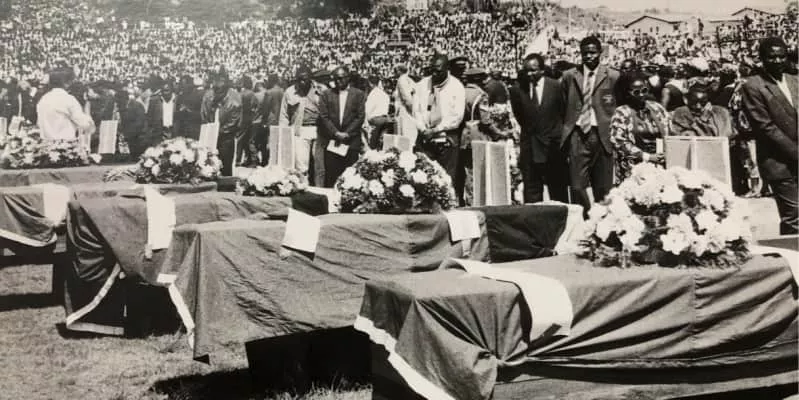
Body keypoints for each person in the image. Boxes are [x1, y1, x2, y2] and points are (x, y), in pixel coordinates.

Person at [740, 37, 798, 234]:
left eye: (782, 56)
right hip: (778, 160)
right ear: (762, 59)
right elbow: (765, 126)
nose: (778, 61)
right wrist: (795, 152)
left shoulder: (795, 80)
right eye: (771, 57)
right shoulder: (753, 86)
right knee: (794, 213)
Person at [561, 36, 619, 218]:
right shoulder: (570, 76)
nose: (589, 56)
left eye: (593, 52)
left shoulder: (612, 76)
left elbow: (617, 103)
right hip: (578, 134)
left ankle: (602, 222)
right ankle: (585, 218)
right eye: (585, 53)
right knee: (577, 185)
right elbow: (563, 103)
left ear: (600, 53)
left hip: (602, 135)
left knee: (603, 186)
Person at [510, 53, 569, 204]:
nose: (529, 74)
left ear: (542, 70)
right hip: (530, 146)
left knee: (557, 188)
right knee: (532, 190)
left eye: (533, 70)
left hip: (552, 146)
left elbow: (563, 113)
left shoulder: (556, 86)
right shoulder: (517, 90)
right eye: (526, 71)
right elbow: (520, 116)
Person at [412, 53, 466, 198]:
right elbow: (416, 111)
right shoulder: (422, 85)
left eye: (438, 71)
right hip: (425, 138)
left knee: (446, 180)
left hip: (446, 138)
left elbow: (457, 117)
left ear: (447, 69)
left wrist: (436, 130)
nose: (434, 74)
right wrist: (424, 129)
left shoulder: (456, 87)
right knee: (424, 178)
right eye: (432, 70)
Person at [610, 71, 670, 183]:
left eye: (644, 90)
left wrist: (666, 152)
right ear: (627, 93)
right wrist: (647, 157)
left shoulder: (657, 108)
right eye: (636, 92)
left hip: (659, 163)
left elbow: (669, 131)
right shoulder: (621, 112)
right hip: (633, 167)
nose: (641, 95)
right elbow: (619, 142)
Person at [317, 66, 365, 188]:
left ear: (348, 78)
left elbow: (360, 116)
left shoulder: (358, 94)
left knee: (351, 177)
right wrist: (336, 133)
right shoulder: (326, 94)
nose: (338, 81)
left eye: (341, 78)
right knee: (332, 176)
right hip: (333, 141)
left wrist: (347, 133)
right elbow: (324, 116)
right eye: (336, 79)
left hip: (351, 141)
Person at [280, 65, 322, 182]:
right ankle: (304, 187)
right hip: (300, 130)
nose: (301, 82)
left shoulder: (321, 90)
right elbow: (284, 115)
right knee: (301, 166)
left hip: (318, 129)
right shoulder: (290, 92)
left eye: (305, 79)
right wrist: (284, 135)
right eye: (299, 80)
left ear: (311, 78)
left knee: (319, 165)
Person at [201, 68, 242, 176]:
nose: (217, 91)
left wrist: (219, 132)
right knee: (208, 165)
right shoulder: (208, 95)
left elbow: (234, 120)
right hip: (210, 135)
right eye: (216, 88)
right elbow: (204, 114)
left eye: (220, 89)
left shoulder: (234, 98)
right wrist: (210, 130)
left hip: (226, 137)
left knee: (225, 165)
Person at [36, 67, 95, 141]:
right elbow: (88, 126)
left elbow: (39, 124)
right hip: (65, 144)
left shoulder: (43, 99)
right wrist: (87, 104)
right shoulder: (69, 99)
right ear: (67, 83)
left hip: (46, 144)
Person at [363, 75, 391, 150]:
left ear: (370, 83)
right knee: (381, 144)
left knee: (372, 144)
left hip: (376, 120)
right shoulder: (384, 94)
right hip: (385, 119)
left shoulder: (373, 94)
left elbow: (367, 110)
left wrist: (365, 123)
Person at [237, 75, 256, 166]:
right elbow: (254, 106)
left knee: (240, 139)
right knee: (248, 139)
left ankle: (238, 159)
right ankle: (249, 159)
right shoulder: (251, 94)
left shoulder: (241, 93)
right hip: (249, 118)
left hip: (241, 118)